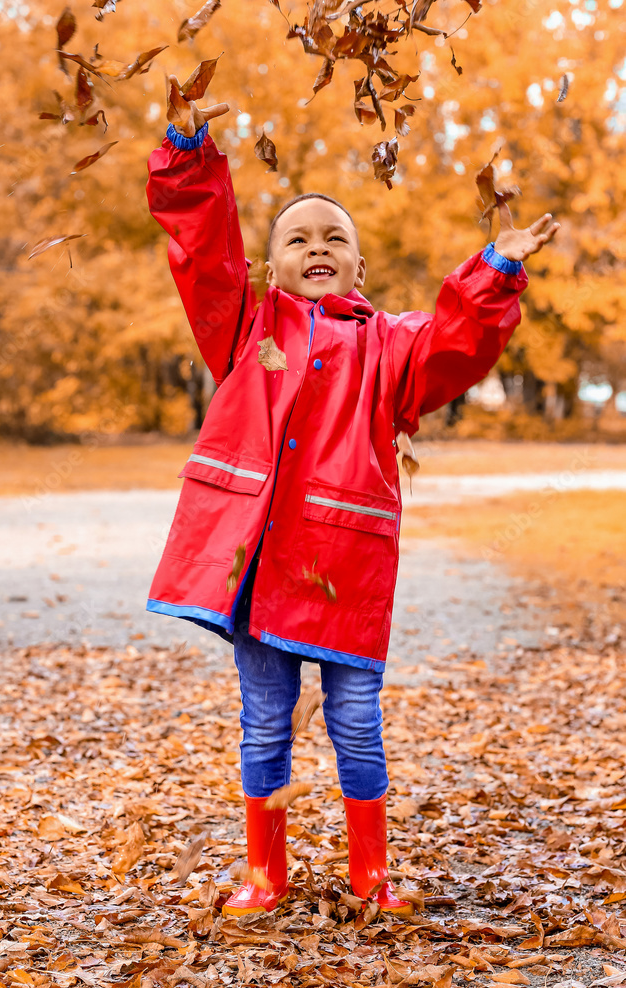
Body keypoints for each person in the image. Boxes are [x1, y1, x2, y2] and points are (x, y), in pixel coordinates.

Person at [145, 87, 559, 917]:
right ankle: (266, 874)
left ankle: (371, 873)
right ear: (272, 264)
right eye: (297, 238)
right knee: (263, 722)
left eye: (335, 236)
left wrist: (495, 271)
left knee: (356, 723)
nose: (318, 246)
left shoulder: (390, 346)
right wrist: (189, 160)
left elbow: (454, 342)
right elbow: (204, 256)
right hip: (256, 568)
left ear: (361, 267)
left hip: (345, 567)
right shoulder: (243, 326)